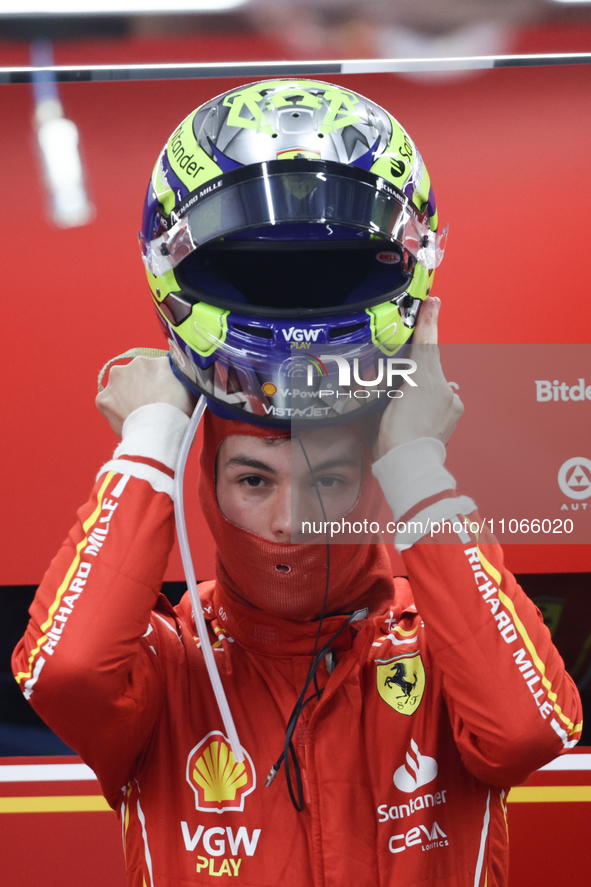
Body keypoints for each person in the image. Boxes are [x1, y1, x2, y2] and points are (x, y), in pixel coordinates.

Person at [13, 80, 582, 887]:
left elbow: (527, 729)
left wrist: (419, 460)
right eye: (252, 477)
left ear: (376, 481)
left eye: (331, 478)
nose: (290, 518)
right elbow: (63, 672)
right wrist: (150, 438)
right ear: (204, 482)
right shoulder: (169, 662)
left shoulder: (439, 642)